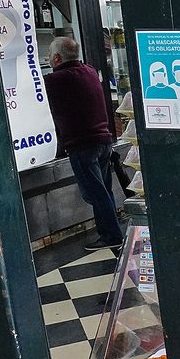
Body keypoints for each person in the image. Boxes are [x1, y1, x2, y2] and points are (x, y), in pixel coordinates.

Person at [45, 36, 123, 250]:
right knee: (103, 191)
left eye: (50, 54)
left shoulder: (56, 80)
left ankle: (112, 236)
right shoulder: (89, 71)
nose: (48, 58)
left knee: (94, 194)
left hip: (83, 145)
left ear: (58, 58)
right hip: (104, 140)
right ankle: (108, 232)